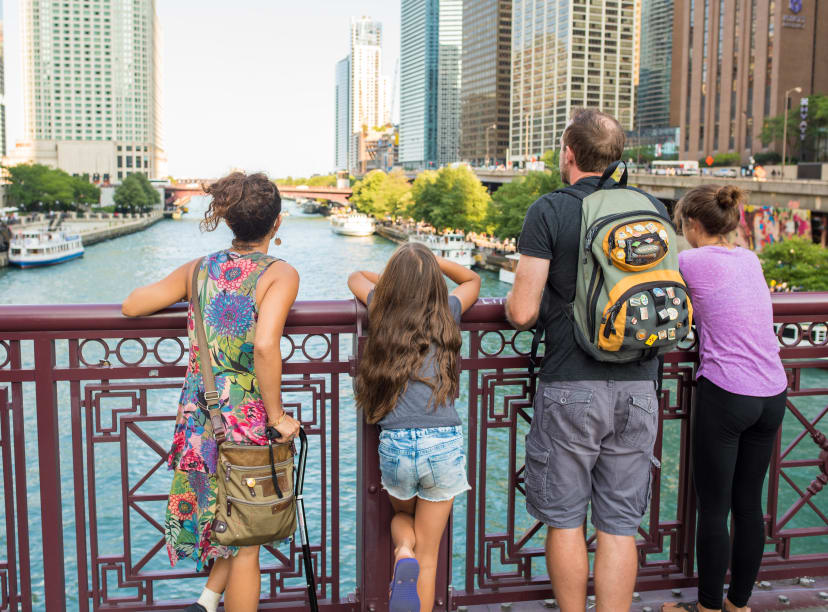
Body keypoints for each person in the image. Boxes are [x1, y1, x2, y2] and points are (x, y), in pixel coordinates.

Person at [505, 108, 669, 612]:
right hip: (640, 385)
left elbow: (522, 311)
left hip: (572, 385)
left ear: (569, 153)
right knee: (620, 526)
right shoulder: (651, 207)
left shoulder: (550, 209)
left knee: (565, 519)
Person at [122, 172, 301, 612]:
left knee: (225, 518)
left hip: (200, 414)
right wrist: (277, 417)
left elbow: (132, 305)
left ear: (229, 221)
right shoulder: (280, 274)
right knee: (248, 535)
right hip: (246, 417)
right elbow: (264, 345)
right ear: (276, 224)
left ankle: (205, 602)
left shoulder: (199, 269)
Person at [663, 185, 787, 612]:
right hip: (772, 391)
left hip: (727, 391)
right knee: (748, 505)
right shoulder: (750, 259)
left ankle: (708, 607)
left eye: (682, 226)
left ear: (693, 226)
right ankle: (739, 604)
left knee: (713, 509)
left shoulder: (689, 261)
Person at [348, 243, 480, 612]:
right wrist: (434, 263)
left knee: (403, 518)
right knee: (431, 553)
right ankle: (411, 555)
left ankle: (402, 550)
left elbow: (354, 277)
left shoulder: (381, 308)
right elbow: (472, 278)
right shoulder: (448, 312)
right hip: (444, 444)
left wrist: (394, 277)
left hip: (397, 444)